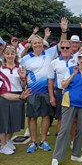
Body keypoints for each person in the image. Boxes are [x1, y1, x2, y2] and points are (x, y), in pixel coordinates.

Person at [21, 18, 68, 153]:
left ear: (43, 44)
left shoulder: (49, 53)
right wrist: (23, 80)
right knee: (32, 117)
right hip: (32, 92)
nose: (37, 45)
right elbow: (22, 77)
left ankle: (43, 141)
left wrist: (63, 30)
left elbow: (61, 44)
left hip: (47, 91)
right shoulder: (25, 59)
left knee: (46, 116)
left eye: (39, 43)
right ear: (32, 44)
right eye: (35, 43)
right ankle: (33, 142)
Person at [51, 50, 82, 165]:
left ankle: (76, 154)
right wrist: (73, 75)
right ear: (78, 59)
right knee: (64, 129)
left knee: (81, 129)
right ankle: (56, 157)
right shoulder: (70, 69)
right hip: (69, 103)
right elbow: (63, 85)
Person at [0, 45, 29, 154]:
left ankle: (8, 141)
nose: (10, 56)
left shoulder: (20, 67)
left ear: (15, 55)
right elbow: (2, 91)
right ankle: (3, 145)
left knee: (14, 122)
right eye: (7, 54)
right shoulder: (1, 69)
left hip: (18, 95)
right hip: (5, 97)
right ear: (4, 55)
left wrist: (22, 78)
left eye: (12, 53)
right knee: (3, 122)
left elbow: (23, 85)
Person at [48, 40, 77, 135]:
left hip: (74, 91)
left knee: (74, 119)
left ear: (71, 48)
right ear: (60, 49)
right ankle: (59, 141)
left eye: (67, 47)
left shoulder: (76, 60)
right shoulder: (54, 62)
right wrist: (51, 97)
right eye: (62, 47)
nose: (65, 49)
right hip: (60, 92)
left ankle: (73, 141)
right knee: (60, 118)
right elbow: (51, 80)